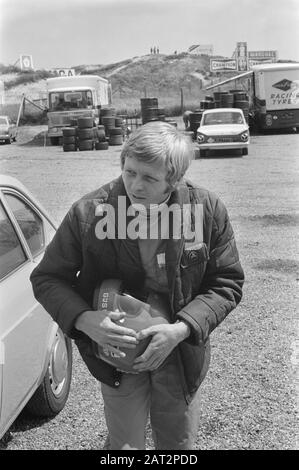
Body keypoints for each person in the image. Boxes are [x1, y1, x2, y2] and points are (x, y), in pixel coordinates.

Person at [30, 121, 244, 450]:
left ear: (174, 180)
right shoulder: (89, 214)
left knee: (178, 444)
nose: (135, 185)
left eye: (149, 178)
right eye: (130, 172)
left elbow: (227, 282)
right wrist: (85, 320)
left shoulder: (206, 211)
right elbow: (47, 278)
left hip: (179, 354)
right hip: (116, 356)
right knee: (124, 445)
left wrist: (183, 329)